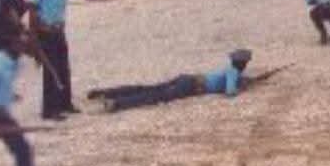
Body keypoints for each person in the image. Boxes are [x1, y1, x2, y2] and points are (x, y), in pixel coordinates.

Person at [28, 0, 106, 121]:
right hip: (45, 34)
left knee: (64, 68)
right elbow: (32, 14)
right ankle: (49, 110)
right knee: (51, 71)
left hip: (59, 32)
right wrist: (34, 40)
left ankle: (65, 104)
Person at [0, 0, 45, 166]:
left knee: (22, 149)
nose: (27, 42)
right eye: (23, 40)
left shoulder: (13, 62)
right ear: (14, 42)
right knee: (22, 148)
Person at [91, 49, 253, 112]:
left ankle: (107, 93)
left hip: (189, 79)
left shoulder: (228, 69)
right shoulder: (233, 73)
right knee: (154, 97)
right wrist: (242, 89)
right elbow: (230, 92)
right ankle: (116, 103)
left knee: (150, 89)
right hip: (191, 86)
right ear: (243, 64)